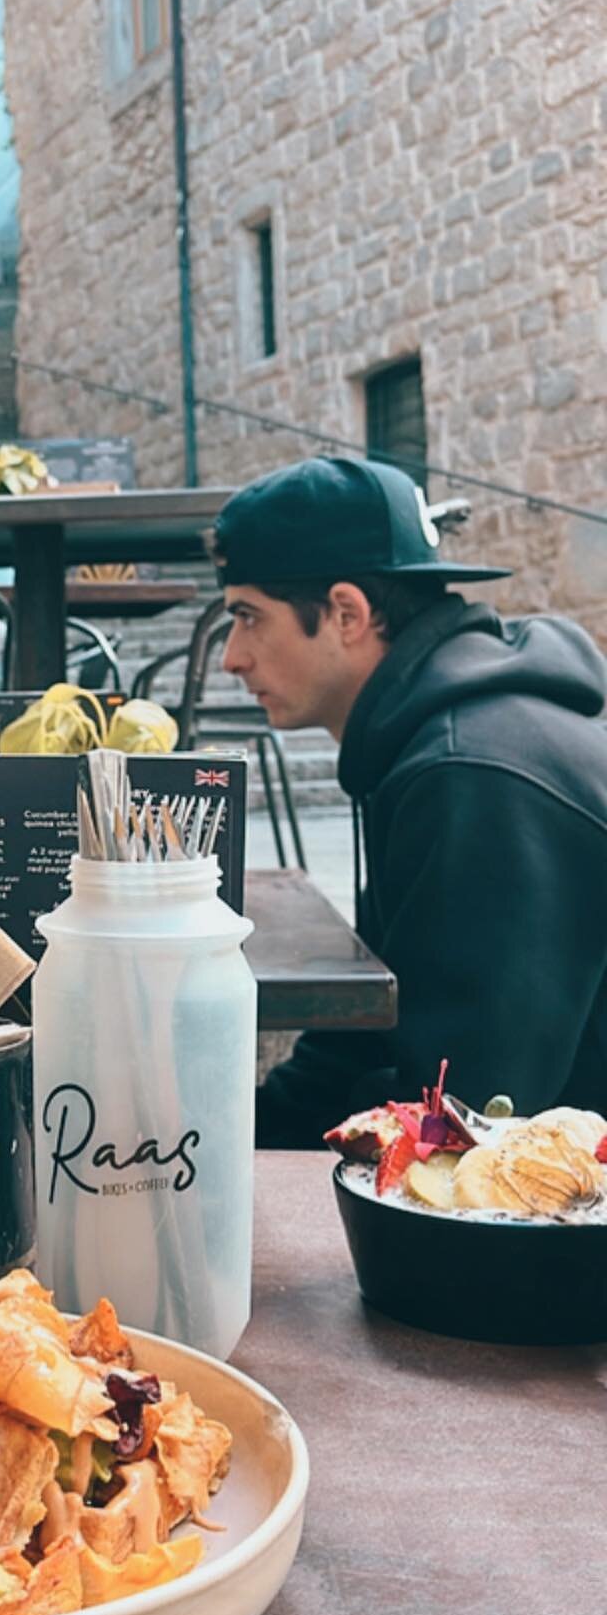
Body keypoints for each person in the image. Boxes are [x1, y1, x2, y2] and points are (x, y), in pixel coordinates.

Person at [213, 455, 607, 1144]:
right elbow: (375, 1029)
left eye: (248, 617)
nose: (231, 658)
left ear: (346, 613)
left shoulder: (473, 775)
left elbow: (465, 1111)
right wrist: (236, 1134)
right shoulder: (427, 742)